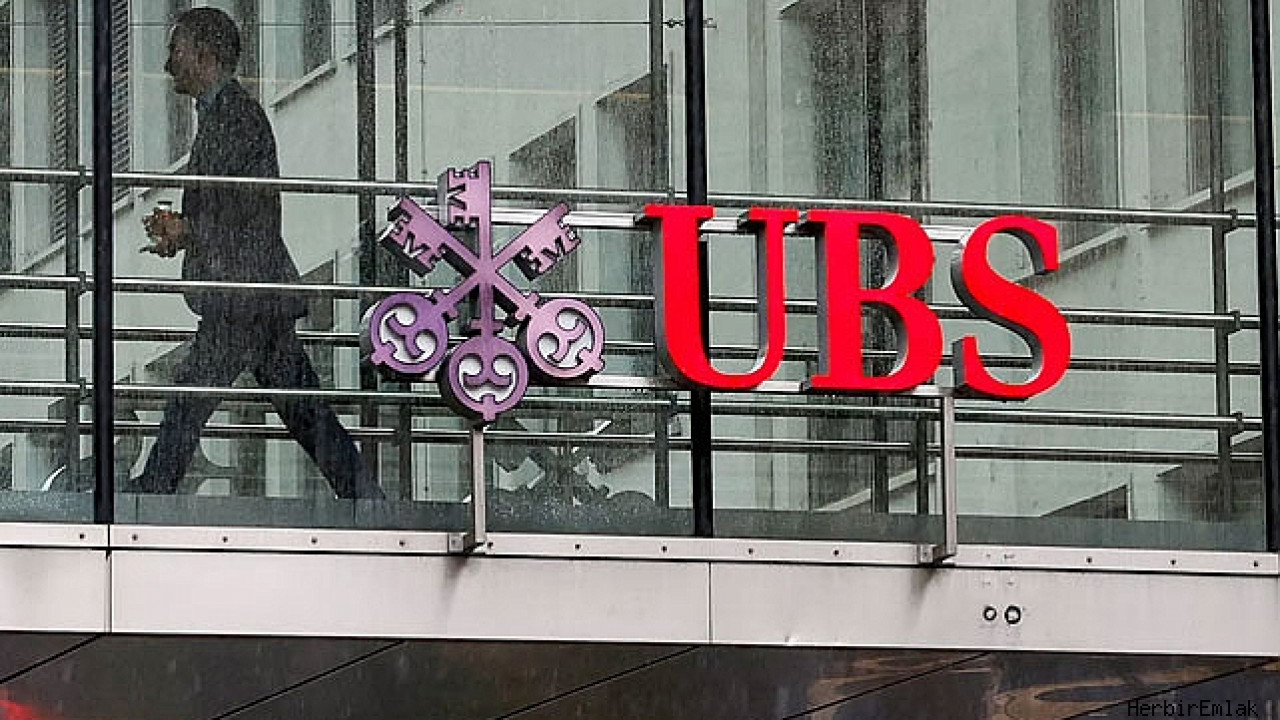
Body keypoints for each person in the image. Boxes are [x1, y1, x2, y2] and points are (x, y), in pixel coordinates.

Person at [127, 7, 383, 499]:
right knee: (300, 407)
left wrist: (188, 230)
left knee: (193, 395)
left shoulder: (234, 116)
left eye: (176, 50)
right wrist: (185, 233)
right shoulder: (228, 115)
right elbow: (240, 209)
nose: (168, 64)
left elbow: (247, 210)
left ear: (205, 55)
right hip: (252, 291)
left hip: (243, 294)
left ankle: (156, 487)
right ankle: (363, 495)